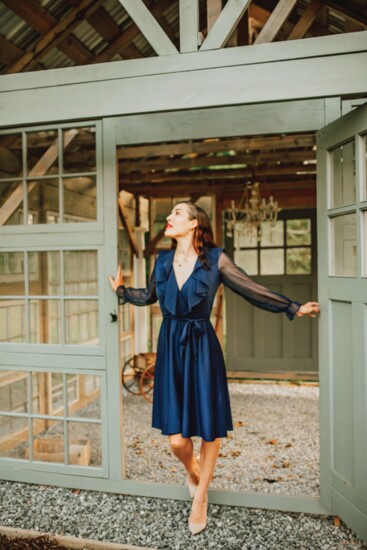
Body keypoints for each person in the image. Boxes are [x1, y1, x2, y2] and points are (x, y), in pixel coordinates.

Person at [108, 201, 320, 535]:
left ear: (194, 223)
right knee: (177, 441)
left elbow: (251, 290)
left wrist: (292, 306)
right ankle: (194, 473)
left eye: (177, 213)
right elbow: (150, 295)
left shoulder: (216, 260)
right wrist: (121, 291)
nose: (169, 217)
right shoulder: (162, 260)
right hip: (171, 346)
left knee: (208, 427)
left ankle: (201, 496)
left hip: (202, 347)